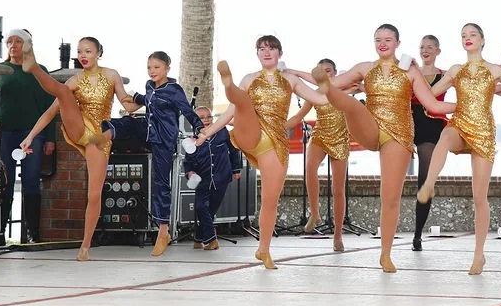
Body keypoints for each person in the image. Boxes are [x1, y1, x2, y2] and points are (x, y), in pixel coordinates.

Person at [295, 24, 456, 273]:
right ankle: (331, 91)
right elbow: (329, 83)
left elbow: (432, 105)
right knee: (353, 105)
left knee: (389, 197)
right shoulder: (365, 68)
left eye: (388, 39)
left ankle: (386, 255)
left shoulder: (410, 71)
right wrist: (296, 76)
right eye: (378, 39)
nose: (382, 43)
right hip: (369, 126)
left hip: (398, 135)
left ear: (397, 43)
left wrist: (464, 106)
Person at [195, 35, 330, 270]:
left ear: (280, 53)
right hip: (251, 132)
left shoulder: (290, 80)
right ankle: (228, 85)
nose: (266, 52)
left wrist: (318, 79)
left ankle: (264, 250)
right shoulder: (249, 79)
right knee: (243, 105)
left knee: (270, 200)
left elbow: (322, 98)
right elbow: (229, 114)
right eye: (261, 49)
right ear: (257, 54)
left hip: (275, 143)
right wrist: (208, 132)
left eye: (271, 48)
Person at [415, 23, 501, 275]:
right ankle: (429, 184)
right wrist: (410, 77)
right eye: (463, 36)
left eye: (472, 35)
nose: (467, 38)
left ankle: (479, 255)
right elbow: (428, 95)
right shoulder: (455, 70)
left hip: (483, 132)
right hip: (460, 125)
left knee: (479, 198)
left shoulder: (494, 70)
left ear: (482, 40)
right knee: (445, 135)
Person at [19, 36, 139, 261]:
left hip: (99, 136)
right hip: (78, 126)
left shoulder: (111, 75)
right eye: (80, 51)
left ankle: (85, 246)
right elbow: (50, 113)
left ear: (99, 53)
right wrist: (30, 137)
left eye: (88, 51)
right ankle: (34, 67)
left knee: (94, 194)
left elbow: (127, 103)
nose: (83, 56)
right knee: (64, 92)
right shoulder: (75, 80)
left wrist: (147, 99)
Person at [104, 51, 204, 256]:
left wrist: (199, 128)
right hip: (148, 132)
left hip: (164, 140)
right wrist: (136, 97)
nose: (152, 71)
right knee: (128, 123)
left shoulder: (174, 90)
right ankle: (102, 130)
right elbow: (149, 100)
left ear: (167, 68)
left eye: (156, 67)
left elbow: (187, 111)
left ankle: (163, 231)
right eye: (149, 67)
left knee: (161, 184)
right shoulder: (149, 86)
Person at [284, 58, 358, 252]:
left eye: (328, 70)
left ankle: (338, 235)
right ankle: (315, 214)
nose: (325, 74)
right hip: (320, 136)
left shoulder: (346, 89)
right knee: (310, 167)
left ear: (335, 73)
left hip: (340, 139)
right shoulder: (314, 94)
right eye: (321, 71)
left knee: (338, 190)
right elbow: (299, 116)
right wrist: (278, 127)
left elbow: (365, 86)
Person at [0, 29, 56, 243]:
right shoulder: (0, 70)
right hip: (6, 133)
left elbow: (49, 105)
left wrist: (50, 138)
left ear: (28, 45)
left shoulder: (39, 71)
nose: (13, 45)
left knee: (31, 180)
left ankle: (32, 233)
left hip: (32, 133)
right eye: (9, 41)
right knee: (4, 181)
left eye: (18, 41)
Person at [184, 105, 242, 250]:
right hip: (202, 179)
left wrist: (236, 169)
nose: (206, 120)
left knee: (210, 211)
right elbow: (188, 161)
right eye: (202, 118)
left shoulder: (222, 131)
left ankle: (199, 238)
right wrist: (190, 173)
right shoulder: (192, 139)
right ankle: (212, 240)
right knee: (201, 207)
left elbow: (233, 149)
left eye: (209, 116)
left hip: (221, 177)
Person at [411, 35, 447, 252]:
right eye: (422, 47)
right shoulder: (409, 73)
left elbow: (430, 95)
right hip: (408, 123)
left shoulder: (444, 75)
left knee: (425, 182)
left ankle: (417, 234)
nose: (425, 50)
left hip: (431, 127)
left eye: (430, 47)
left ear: (437, 51)